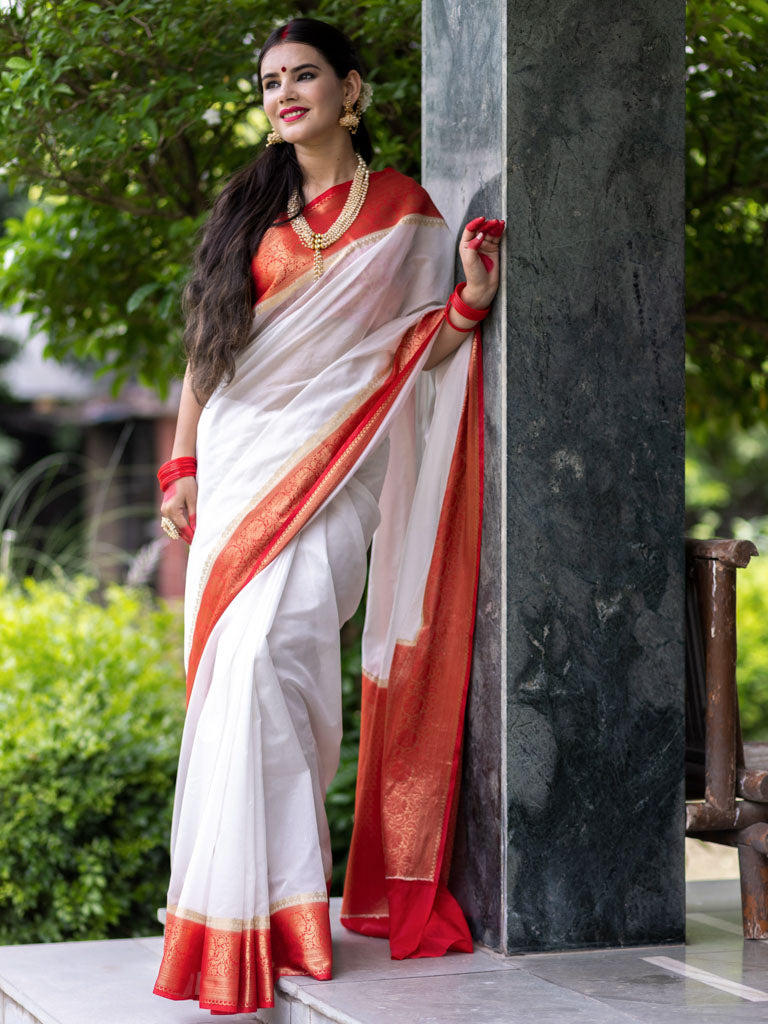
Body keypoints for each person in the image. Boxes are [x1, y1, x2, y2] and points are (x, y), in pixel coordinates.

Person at [152, 16, 504, 1016]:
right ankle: (252, 910)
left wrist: (470, 304)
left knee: (289, 657)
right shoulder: (247, 211)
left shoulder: (401, 212)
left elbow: (407, 353)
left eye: (305, 76)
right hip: (239, 466)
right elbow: (208, 351)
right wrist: (180, 461)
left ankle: (283, 900)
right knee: (245, 669)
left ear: (352, 91)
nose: (285, 94)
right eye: (271, 82)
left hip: (337, 471)